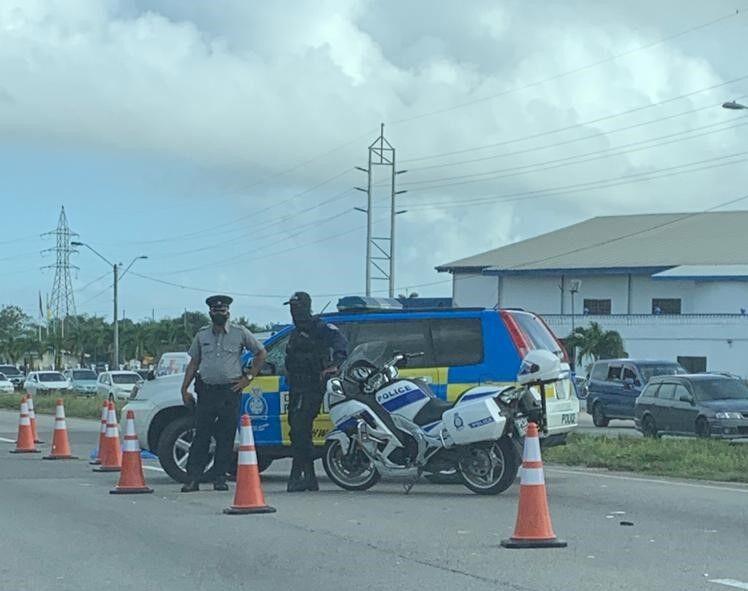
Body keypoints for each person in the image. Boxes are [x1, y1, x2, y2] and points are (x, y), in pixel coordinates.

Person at [180, 295, 267, 493]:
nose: (219, 313)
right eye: (215, 310)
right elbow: (194, 363)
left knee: (226, 436)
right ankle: (193, 478)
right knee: (201, 435)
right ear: (210, 313)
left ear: (228, 312)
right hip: (207, 391)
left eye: (223, 310)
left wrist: (249, 378)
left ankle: (220, 478)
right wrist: (184, 388)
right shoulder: (202, 335)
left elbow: (261, 353)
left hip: (230, 391)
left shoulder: (239, 332)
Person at [284, 291, 347, 492]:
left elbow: (340, 344)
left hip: (311, 386)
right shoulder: (295, 332)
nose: (294, 312)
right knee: (297, 431)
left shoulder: (319, 327)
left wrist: (334, 365)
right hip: (296, 387)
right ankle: (307, 477)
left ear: (306, 307)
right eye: (292, 308)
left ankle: (298, 476)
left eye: (297, 307)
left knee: (301, 430)